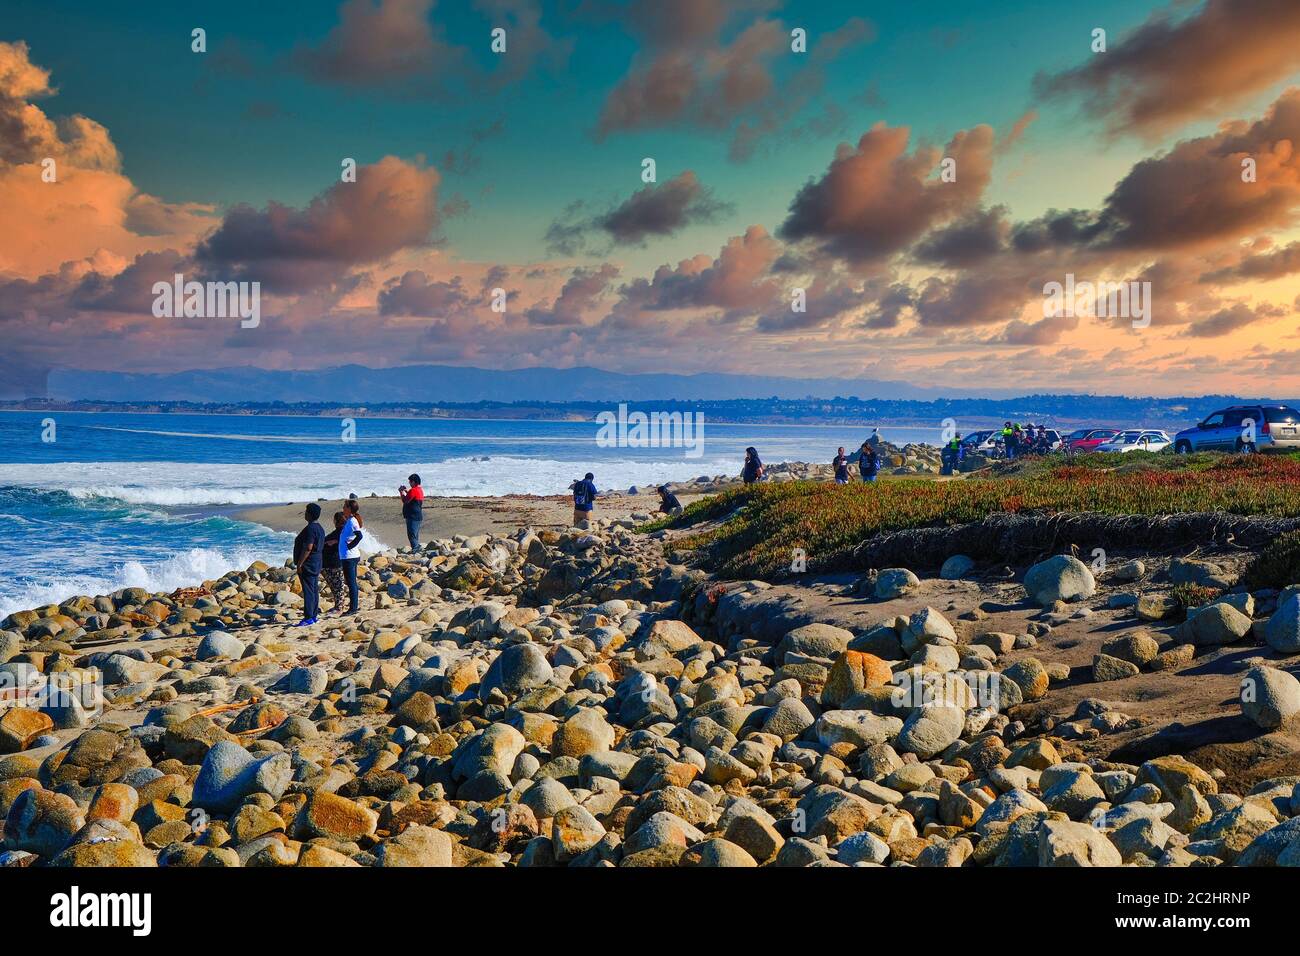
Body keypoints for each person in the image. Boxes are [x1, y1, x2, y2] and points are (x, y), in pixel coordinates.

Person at [293, 503, 325, 626]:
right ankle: (313, 616)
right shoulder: (319, 528)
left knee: (309, 591)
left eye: (306, 511)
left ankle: (309, 617)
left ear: (310, 514)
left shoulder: (311, 529)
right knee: (313, 589)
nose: (305, 514)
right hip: (316, 562)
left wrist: (300, 564)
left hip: (309, 563)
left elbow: (308, 547)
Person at [339, 499, 364, 614]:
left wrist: (350, 546)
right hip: (348, 556)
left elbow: (359, 536)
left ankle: (353, 608)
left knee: (351, 582)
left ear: (349, 509)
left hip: (350, 557)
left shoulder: (353, 521)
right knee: (351, 582)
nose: (343, 508)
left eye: (345, 507)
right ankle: (354, 606)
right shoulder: (349, 520)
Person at [321, 511, 345, 614]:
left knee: (337, 587)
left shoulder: (341, 533)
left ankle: (339, 607)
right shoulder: (341, 532)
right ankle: (338, 606)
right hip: (332, 562)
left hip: (334, 562)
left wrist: (331, 542)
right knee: (337, 587)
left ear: (335, 521)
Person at [398, 473, 424, 551]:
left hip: (413, 516)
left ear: (413, 482)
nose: (409, 483)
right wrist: (406, 491)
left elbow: (405, 500)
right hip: (417, 515)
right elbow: (412, 497)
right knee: (415, 535)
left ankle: (415, 550)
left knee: (411, 535)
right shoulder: (419, 489)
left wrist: (401, 492)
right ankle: (417, 549)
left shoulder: (413, 490)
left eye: (410, 481)